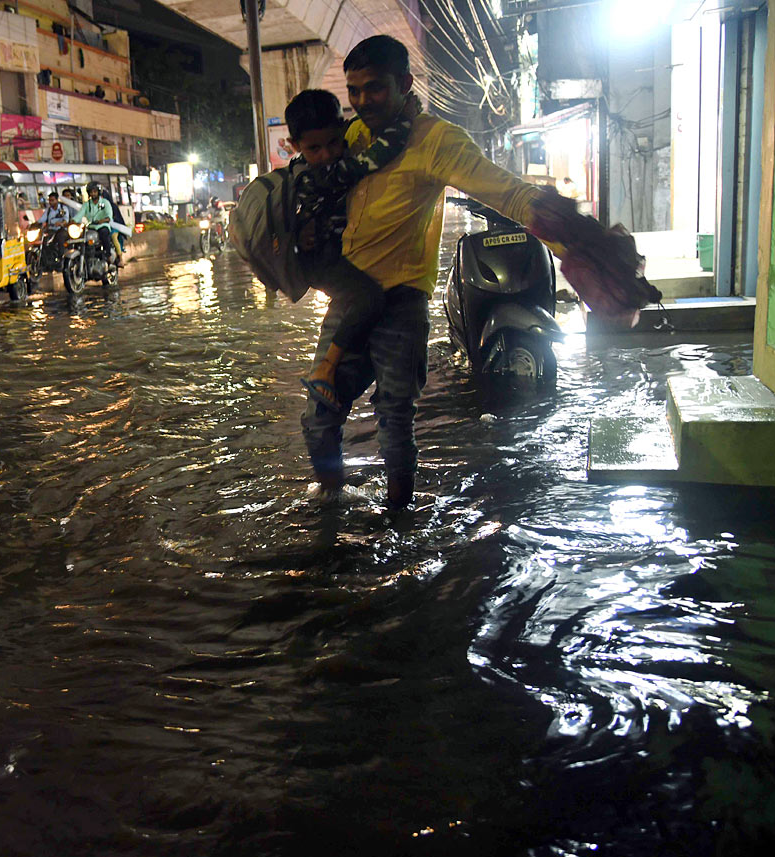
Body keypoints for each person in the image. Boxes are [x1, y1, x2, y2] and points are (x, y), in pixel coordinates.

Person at [301, 35, 658, 512]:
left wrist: (582, 247)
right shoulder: (356, 140)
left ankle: (398, 520)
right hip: (349, 299)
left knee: (394, 422)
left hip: (401, 303)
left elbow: (507, 194)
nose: (363, 101)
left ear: (404, 83)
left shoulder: (436, 141)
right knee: (319, 416)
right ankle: (328, 502)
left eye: (375, 89)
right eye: (355, 90)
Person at [282, 88, 417, 415]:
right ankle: (326, 368)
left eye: (333, 143)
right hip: (322, 260)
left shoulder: (307, 166)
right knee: (369, 298)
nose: (326, 154)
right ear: (295, 147)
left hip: (330, 255)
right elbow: (381, 153)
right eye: (314, 148)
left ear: (343, 133)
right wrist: (406, 118)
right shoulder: (319, 175)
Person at [76, 182, 120, 266]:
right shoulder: (86, 204)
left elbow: (109, 216)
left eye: (95, 192)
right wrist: (73, 221)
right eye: (91, 192)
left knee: (104, 233)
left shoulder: (105, 202)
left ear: (98, 192)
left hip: (103, 226)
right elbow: (80, 214)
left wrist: (102, 221)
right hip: (91, 227)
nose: (93, 194)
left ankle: (108, 254)